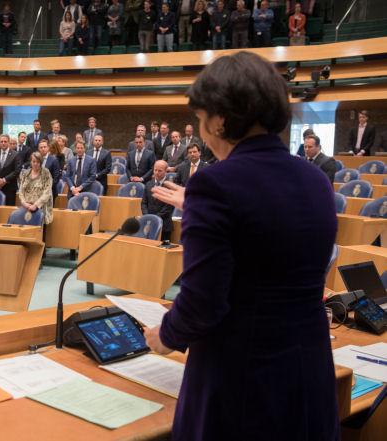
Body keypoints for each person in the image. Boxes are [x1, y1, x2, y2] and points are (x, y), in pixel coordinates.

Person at [144, 51, 339, 441]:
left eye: (200, 120)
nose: (201, 132)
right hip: (309, 373)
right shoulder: (315, 180)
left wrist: (164, 336)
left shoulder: (214, 185)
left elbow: (203, 305)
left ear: (219, 118)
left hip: (242, 383)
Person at [141, 160, 174, 240]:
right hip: (149, 223)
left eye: (160, 171)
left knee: (163, 249)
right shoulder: (148, 184)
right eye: (155, 170)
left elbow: (168, 207)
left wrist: (155, 218)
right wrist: (147, 216)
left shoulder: (170, 186)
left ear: (166, 171)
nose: (156, 172)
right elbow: (144, 203)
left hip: (164, 225)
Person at [19, 152, 54, 224]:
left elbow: (47, 192)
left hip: (41, 208)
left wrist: (36, 205)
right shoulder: (26, 173)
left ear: (40, 162)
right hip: (26, 207)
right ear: (31, 162)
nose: (35, 164)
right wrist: (24, 202)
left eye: (38, 162)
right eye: (33, 161)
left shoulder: (46, 173)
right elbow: (21, 191)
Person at [0, 134, 21, 206]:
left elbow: (17, 170)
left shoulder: (15, 154)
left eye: (5, 141)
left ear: (8, 142)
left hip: (10, 187)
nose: (3, 143)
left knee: (8, 211)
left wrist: (4, 180)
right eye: (1, 141)